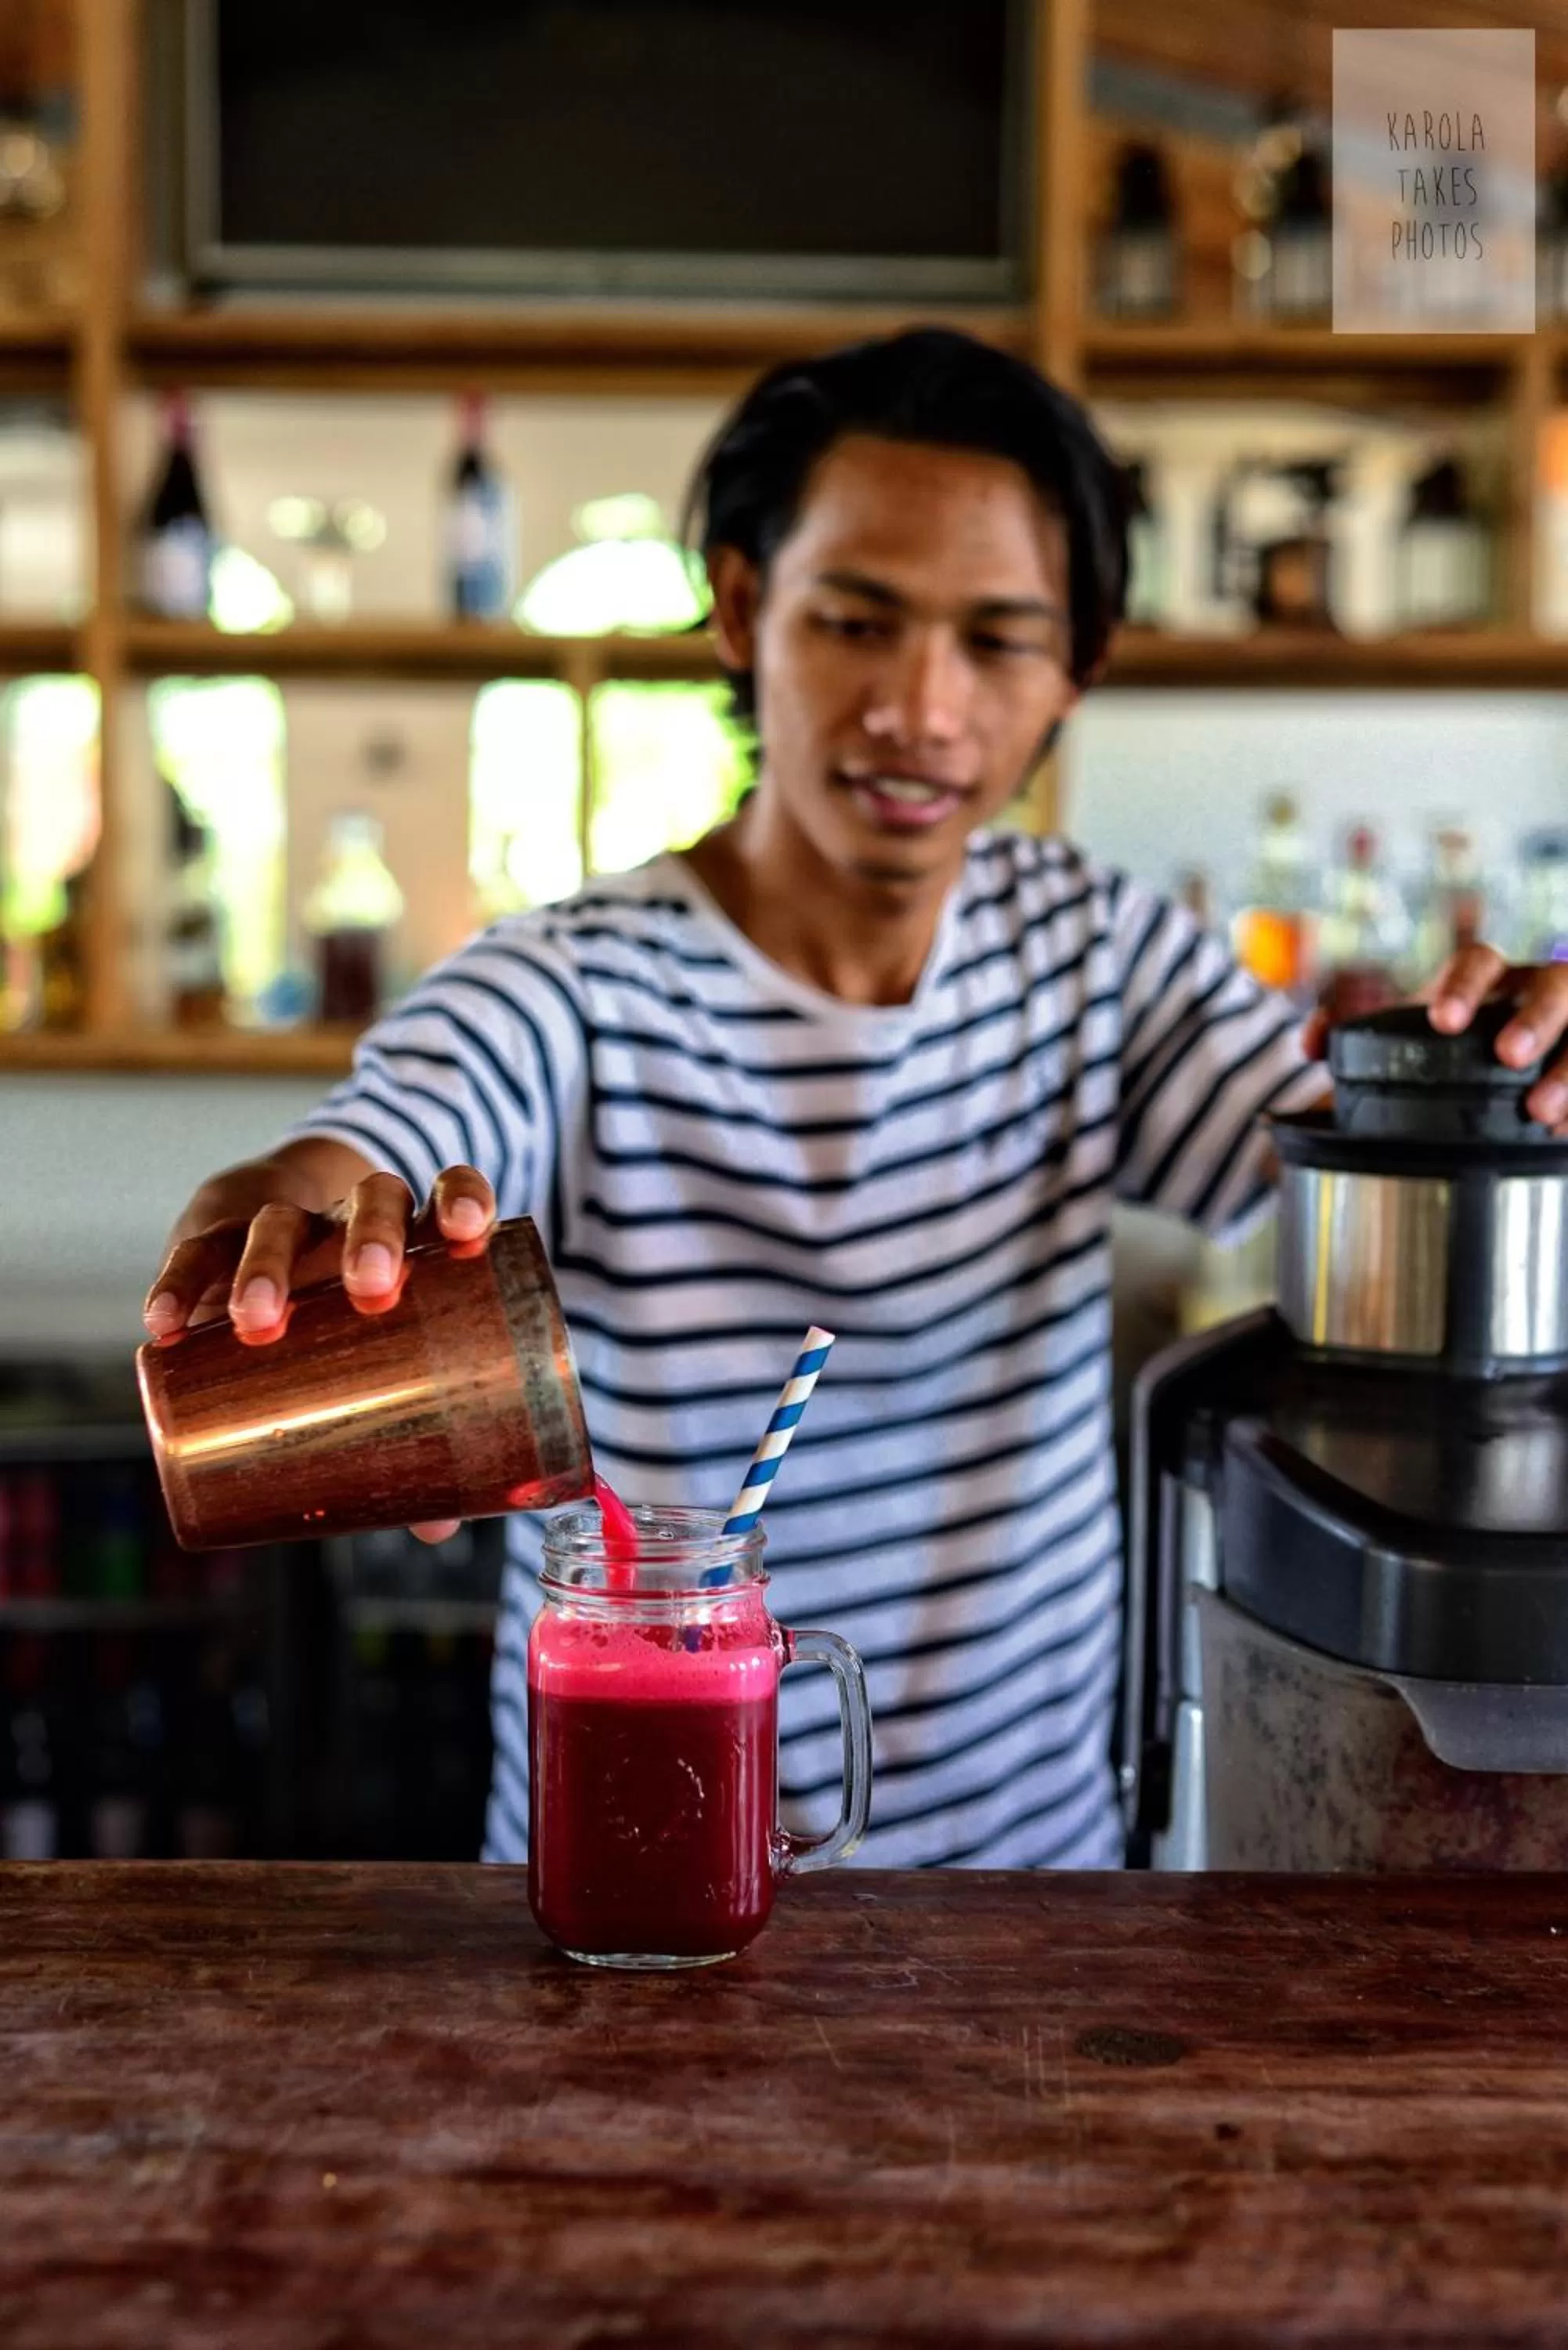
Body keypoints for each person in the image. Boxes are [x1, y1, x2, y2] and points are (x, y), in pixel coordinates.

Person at [144, 329, 1568, 1870]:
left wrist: (1505, 1087)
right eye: (855, 620)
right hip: (629, 1882)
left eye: (996, 640)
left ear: (1073, 670)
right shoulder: (576, 986)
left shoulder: (1094, 956)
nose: (919, 708)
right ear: (745, 613)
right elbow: (408, 1121)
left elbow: (1365, 1167)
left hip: (1027, 1908)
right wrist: (305, 1203)